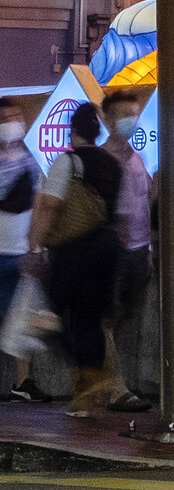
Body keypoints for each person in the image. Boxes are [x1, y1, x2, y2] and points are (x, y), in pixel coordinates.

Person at [24, 102, 126, 417]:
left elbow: (50, 207)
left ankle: (88, 375)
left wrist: (34, 247)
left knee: (49, 316)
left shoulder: (67, 162)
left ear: (72, 132)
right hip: (108, 247)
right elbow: (117, 212)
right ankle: (85, 393)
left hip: (74, 249)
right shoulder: (114, 165)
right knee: (88, 319)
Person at [97, 87, 153, 412]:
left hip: (138, 251)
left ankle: (107, 381)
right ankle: (116, 389)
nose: (129, 121)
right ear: (106, 119)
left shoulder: (137, 158)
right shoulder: (101, 160)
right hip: (112, 253)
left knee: (121, 321)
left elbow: (147, 199)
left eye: (133, 115)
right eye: (122, 116)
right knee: (106, 319)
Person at [0, 96, 36, 402]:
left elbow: (38, 203)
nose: (12, 124)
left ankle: (22, 381)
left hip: (20, 250)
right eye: (5, 119)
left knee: (21, 318)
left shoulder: (29, 158)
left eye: (15, 116)